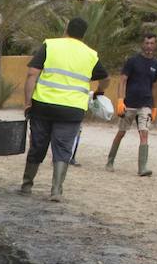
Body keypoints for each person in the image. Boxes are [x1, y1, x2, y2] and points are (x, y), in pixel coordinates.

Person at [20, 16, 110, 202]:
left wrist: (27, 102)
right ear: (84, 34)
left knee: (38, 144)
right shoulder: (90, 54)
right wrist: (99, 91)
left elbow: (32, 74)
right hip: (72, 109)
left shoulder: (50, 45)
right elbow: (105, 79)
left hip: (43, 105)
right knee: (63, 148)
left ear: (66, 29)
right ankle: (56, 190)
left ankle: (27, 185)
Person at [107, 32, 157, 177]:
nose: (149, 46)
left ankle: (142, 168)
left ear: (155, 45)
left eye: (152, 43)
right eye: (147, 43)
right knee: (121, 133)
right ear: (142, 45)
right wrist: (120, 100)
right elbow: (122, 80)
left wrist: (154, 107)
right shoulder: (132, 61)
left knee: (144, 133)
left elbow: (155, 87)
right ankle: (110, 161)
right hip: (129, 104)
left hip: (146, 104)